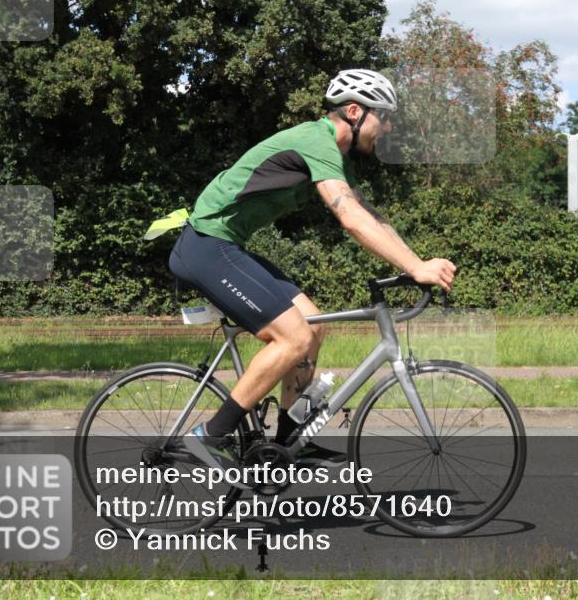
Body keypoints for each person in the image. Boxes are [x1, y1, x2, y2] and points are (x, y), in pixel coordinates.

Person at [169, 69, 456, 469]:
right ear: (354, 112)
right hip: (205, 245)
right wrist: (415, 266)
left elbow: (371, 216)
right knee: (293, 337)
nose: (388, 127)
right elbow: (349, 217)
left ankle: (290, 441)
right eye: (384, 116)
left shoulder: (335, 156)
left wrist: (417, 264)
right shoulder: (316, 140)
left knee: (314, 325)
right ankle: (210, 436)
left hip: (225, 246)